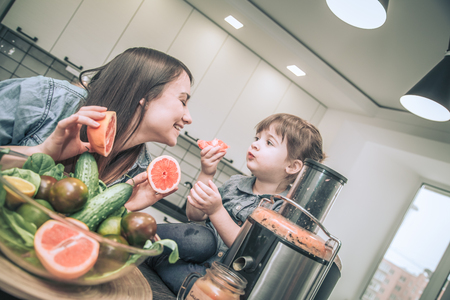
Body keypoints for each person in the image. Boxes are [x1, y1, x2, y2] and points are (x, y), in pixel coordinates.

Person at [141, 113, 326, 294]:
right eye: (257, 137)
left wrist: (216, 210)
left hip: (214, 279)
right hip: (197, 253)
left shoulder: (283, 211)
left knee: (204, 291)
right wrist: (207, 172)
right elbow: (194, 215)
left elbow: (247, 253)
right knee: (201, 239)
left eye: (269, 142)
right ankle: (134, 233)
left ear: (292, 166)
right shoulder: (235, 183)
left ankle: (154, 258)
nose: (255, 144)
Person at [0, 47, 194, 210]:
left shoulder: (140, 172)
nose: (188, 118)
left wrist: (123, 210)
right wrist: (40, 153)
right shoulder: (48, 97)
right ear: (144, 95)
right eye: (182, 101)